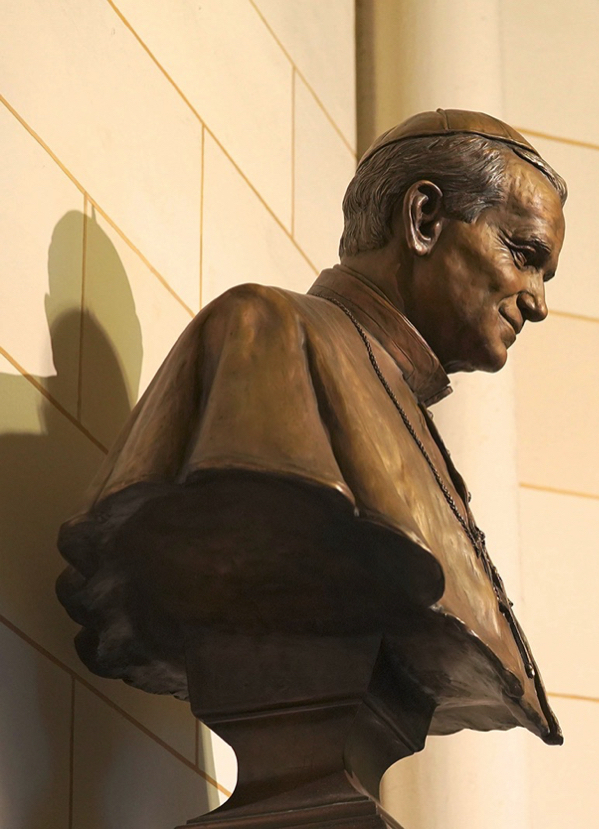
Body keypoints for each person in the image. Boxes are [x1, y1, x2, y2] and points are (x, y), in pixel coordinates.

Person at [57, 110, 567, 746]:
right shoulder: (267, 334)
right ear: (425, 219)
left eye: (545, 275)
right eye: (524, 256)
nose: (539, 302)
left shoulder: (420, 431)